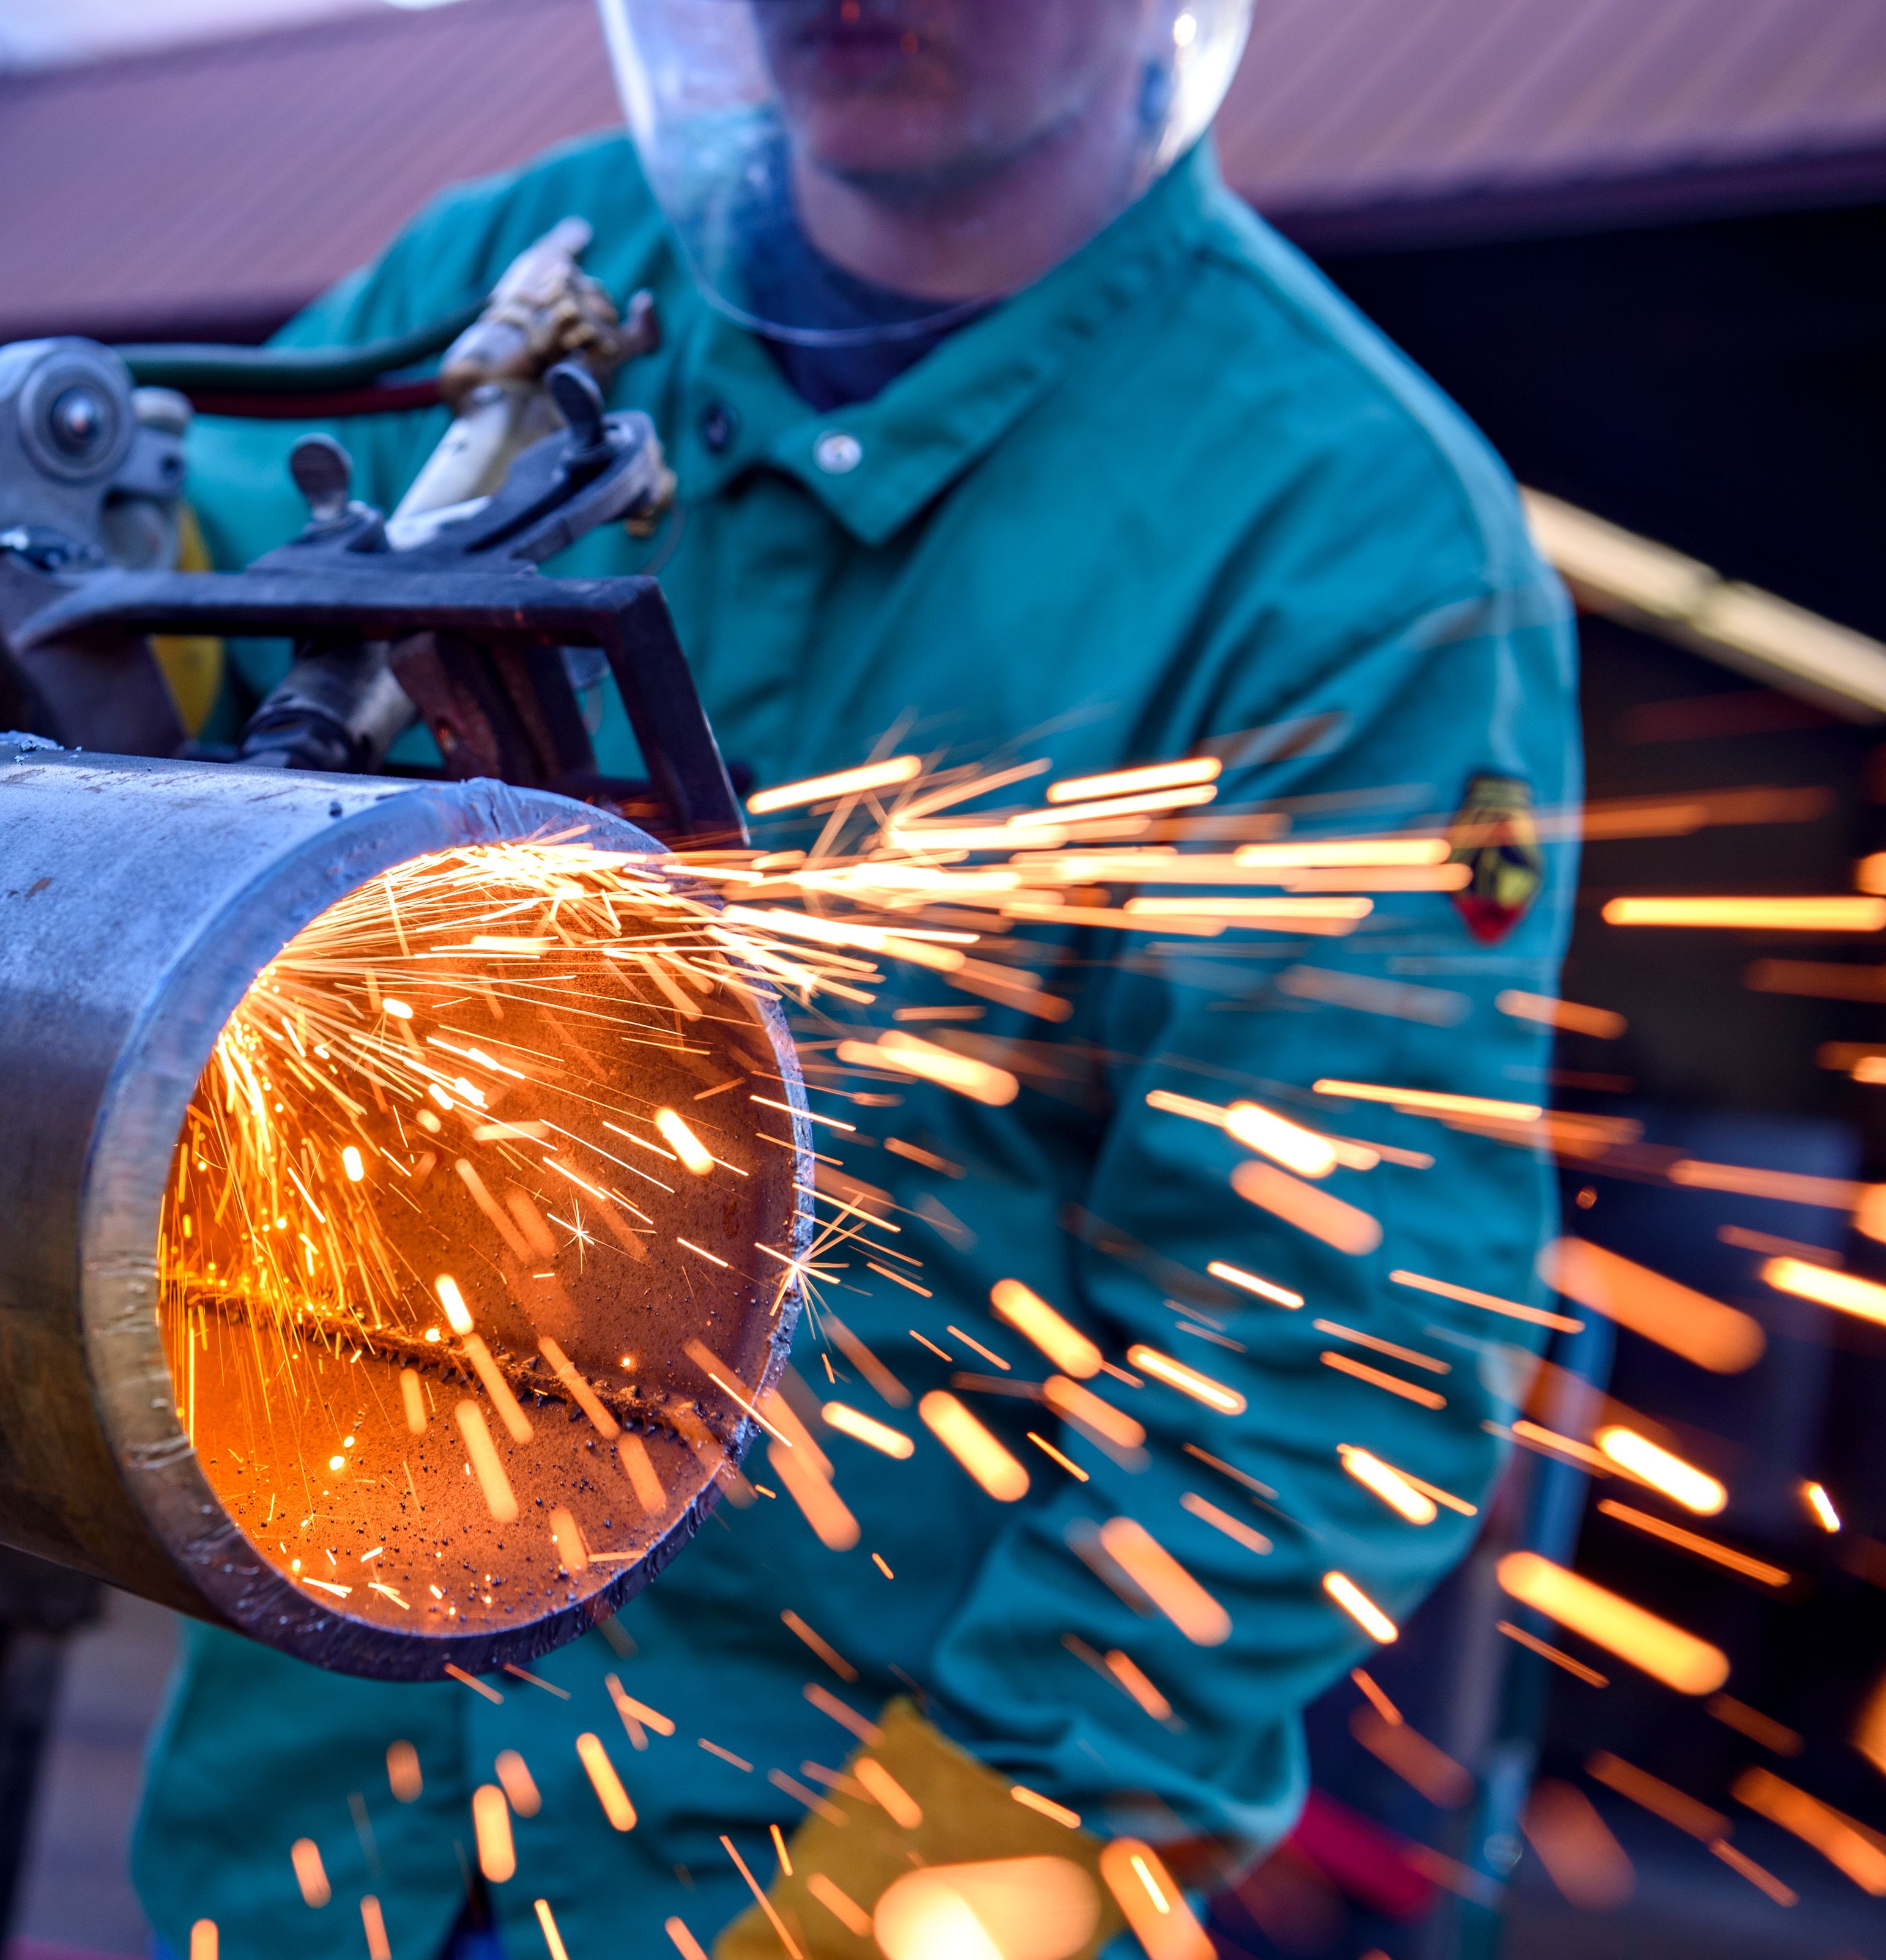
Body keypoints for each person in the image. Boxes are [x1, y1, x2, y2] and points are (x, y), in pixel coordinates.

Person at [133, 3, 1578, 1956]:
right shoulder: (524, 286)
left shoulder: (1350, 539)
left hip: (809, 1857)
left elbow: (1329, 1359)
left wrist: (905, 1916)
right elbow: (168, 653)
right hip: (309, 1814)